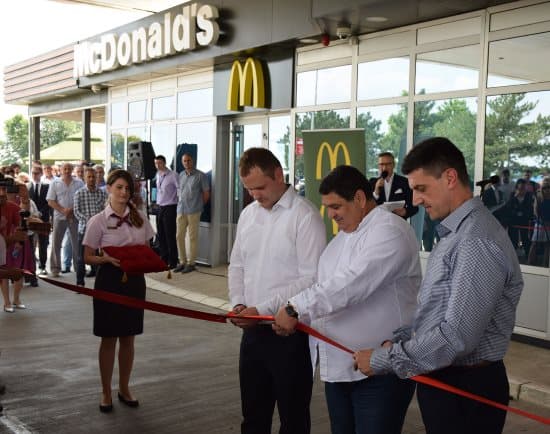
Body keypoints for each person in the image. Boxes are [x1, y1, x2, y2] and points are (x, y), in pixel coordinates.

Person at [353, 137, 524, 434]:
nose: (416, 200)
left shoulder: (475, 241)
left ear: (450, 178)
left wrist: (385, 359)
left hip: (466, 387)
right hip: (449, 381)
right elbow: (437, 312)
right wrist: (405, 339)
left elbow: (457, 337)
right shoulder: (456, 233)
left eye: (421, 189)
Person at [273, 165, 421, 434]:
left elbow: (351, 285)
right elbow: (325, 287)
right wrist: (295, 314)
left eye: (336, 206)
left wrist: (296, 308)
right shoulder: (340, 241)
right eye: (328, 207)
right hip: (340, 372)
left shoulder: (390, 231)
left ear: (360, 199)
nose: (331, 215)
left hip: (379, 373)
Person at [229, 147, 326, 434]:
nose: (255, 195)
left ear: (279, 175)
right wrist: (238, 305)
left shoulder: (305, 216)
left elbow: (312, 279)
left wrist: (262, 309)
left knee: (293, 419)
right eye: (249, 189)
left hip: (289, 334)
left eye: (260, 187)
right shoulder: (248, 215)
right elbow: (237, 265)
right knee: (253, 417)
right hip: (252, 332)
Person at [83, 169, 155, 413]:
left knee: (129, 337)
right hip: (109, 280)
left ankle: (124, 387)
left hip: (134, 281)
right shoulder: (98, 221)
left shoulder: (140, 218)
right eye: (119, 188)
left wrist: (148, 262)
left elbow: (146, 249)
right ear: (109, 189)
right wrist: (105, 259)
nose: (124, 192)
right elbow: (87, 257)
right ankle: (105, 391)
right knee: (108, 338)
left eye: (127, 189)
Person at [174, 153, 210, 273]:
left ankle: (191, 263)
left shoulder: (201, 176)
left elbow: (206, 194)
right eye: (184, 161)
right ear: (182, 162)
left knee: (192, 237)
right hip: (181, 210)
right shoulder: (181, 175)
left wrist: (199, 206)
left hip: (194, 210)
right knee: (179, 236)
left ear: (192, 161)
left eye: (188, 160)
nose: (186, 163)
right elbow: (180, 192)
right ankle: (182, 262)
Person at [46, 163, 84, 277]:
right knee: (56, 243)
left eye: (69, 169)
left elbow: (82, 198)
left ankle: (78, 268)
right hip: (59, 217)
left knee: (77, 243)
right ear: (61, 170)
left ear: (72, 170)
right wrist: (63, 210)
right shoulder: (54, 183)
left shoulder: (79, 183)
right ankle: (55, 269)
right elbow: (50, 201)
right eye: (65, 169)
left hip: (74, 216)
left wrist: (71, 210)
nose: (67, 171)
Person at [73, 167, 108, 286]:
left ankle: (100, 282)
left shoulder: (102, 193)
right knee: (81, 257)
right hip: (84, 229)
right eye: (89, 177)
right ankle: (80, 282)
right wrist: (89, 221)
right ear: (84, 178)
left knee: (98, 257)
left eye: (94, 176)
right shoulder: (79, 193)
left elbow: (105, 210)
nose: (92, 179)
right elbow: (77, 212)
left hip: (99, 231)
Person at [0, 182, 27, 313]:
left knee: (16, 271)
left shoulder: (13, 207)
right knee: (4, 273)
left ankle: (16, 299)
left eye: (4, 189)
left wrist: (25, 198)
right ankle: (7, 302)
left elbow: (23, 220)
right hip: (4, 244)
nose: (2, 193)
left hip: (11, 245)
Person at [369, 152, 418, 219]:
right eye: (381, 164)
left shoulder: (404, 182)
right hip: (379, 224)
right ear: (378, 166)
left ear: (393, 165)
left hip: (398, 223)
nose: (384, 167)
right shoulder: (372, 182)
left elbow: (414, 207)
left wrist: (405, 211)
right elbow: (368, 207)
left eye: (388, 164)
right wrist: (376, 192)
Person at [154, 155, 179, 269]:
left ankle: (173, 260)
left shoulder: (173, 175)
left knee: (170, 235)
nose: (158, 165)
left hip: (170, 206)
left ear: (164, 163)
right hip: (160, 207)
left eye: (159, 163)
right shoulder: (158, 175)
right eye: (156, 163)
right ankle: (164, 258)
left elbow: (179, 189)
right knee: (161, 234)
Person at [29, 166, 50, 275]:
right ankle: (31, 267)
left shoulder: (47, 187)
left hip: (43, 219)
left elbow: (48, 202)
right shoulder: (28, 187)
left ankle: (42, 266)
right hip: (31, 220)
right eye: (33, 173)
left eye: (37, 173)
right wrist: (34, 215)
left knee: (43, 244)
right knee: (30, 244)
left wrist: (40, 214)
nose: (34, 175)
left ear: (41, 174)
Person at [505, 179, 533, 260]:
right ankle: (511, 258)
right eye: (520, 188)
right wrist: (515, 197)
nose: (522, 190)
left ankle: (528, 258)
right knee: (513, 240)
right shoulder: (513, 195)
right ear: (517, 188)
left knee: (526, 240)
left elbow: (529, 208)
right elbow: (508, 207)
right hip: (513, 222)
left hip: (524, 221)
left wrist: (523, 213)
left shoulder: (528, 195)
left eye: (523, 188)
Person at [528, 177, 550, 266]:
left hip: (549, 224)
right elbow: (535, 211)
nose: (547, 189)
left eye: (549, 187)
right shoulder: (538, 195)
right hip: (540, 223)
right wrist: (540, 219)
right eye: (545, 187)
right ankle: (529, 263)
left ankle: (545, 265)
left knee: (547, 245)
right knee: (534, 244)